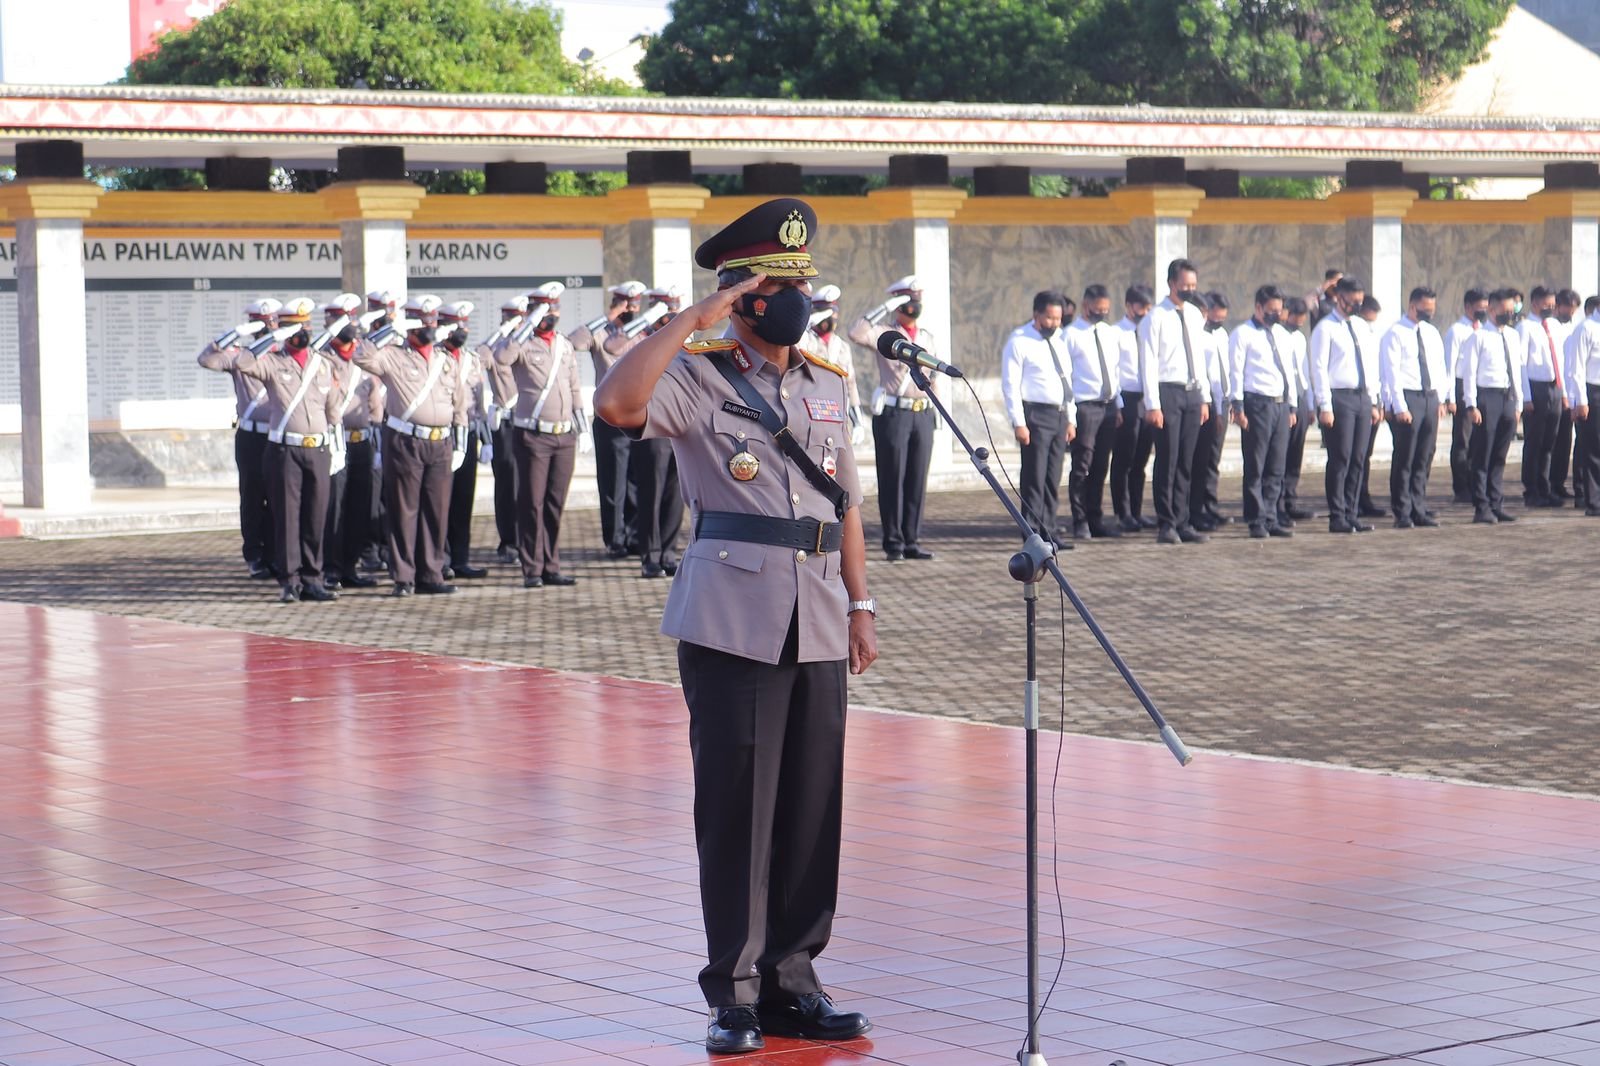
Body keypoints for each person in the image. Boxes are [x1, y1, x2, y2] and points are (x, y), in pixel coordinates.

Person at [592, 197, 877, 1056]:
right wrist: (693, 318)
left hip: (821, 615)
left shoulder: (828, 381)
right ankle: (737, 993)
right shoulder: (698, 374)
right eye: (779, 284)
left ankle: (797, 980)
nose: (799, 297)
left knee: (811, 809)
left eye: (803, 283)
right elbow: (616, 403)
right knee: (738, 814)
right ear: (745, 296)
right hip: (732, 621)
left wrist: (861, 604)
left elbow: (849, 503)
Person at [203, 297, 344, 603]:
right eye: (295, 326)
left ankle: (313, 578)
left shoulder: (323, 364)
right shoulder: (270, 361)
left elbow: (333, 409)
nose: (303, 331)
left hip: (316, 448)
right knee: (284, 514)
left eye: (307, 325)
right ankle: (289, 580)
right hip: (281, 447)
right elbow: (226, 361)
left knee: (315, 515)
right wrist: (259, 334)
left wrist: (335, 443)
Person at [356, 294, 469, 596]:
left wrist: (461, 439)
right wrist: (388, 330)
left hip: (441, 442)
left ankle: (431, 574)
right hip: (406, 440)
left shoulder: (445, 359)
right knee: (405, 509)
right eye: (423, 322)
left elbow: (459, 402)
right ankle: (404, 577)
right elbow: (361, 356)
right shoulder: (393, 355)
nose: (430, 327)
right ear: (410, 326)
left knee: (436, 509)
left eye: (432, 321)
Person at [496, 282, 586, 588]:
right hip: (533, 435)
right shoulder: (522, 342)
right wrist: (529, 323)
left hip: (564, 436)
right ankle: (532, 569)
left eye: (555, 307)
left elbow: (574, 384)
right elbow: (501, 358)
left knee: (554, 503)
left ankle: (552, 565)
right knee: (531, 503)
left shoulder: (563, 344)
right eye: (546, 308)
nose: (553, 313)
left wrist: (581, 425)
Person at [849, 275, 939, 561]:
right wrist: (887, 306)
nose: (913, 307)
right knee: (892, 476)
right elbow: (856, 332)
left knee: (916, 477)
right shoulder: (885, 333)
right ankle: (893, 542)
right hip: (894, 412)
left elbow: (933, 377)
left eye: (916, 301)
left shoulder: (926, 337)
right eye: (908, 302)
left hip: (921, 412)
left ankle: (912, 539)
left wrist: (935, 410)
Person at [197, 297, 280, 579]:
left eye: (272, 322)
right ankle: (255, 556)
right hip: (250, 436)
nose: (268, 328)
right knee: (253, 497)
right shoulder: (240, 355)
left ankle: (276, 554)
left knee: (278, 497)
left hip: (279, 436)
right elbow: (206, 359)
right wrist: (235, 333)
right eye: (262, 323)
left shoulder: (283, 355)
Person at [1137, 258, 1210, 545]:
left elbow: (1199, 359)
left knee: (1186, 460)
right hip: (1167, 392)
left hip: (1192, 392)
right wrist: (1153, 404)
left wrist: (1203, 398)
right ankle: (1166, 522)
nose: (1190, 289)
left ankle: (1184, 520)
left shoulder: (1194, 314)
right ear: (1171, 284)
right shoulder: (1155, 317)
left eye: (1193, 285)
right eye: (1185, 285)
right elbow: (1149, 363)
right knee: (1168, 458)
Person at [1000, 290, 1075, 549]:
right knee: (1034, 477)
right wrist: (1018, 422)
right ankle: (1032, 534)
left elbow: (1067, 381)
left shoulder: (1060, 340)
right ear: (1036, 314)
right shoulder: (1019, 341)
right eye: (1050, 318)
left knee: (1052, 477)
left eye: (1058, 318)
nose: (1054, 323)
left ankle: (1050, 530)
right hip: (1035, 415)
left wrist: (1071, 419)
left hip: (1059, 414)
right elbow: (1010, 385)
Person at [320, 292, 383, 589]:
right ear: (330, 322)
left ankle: (349, 567)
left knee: (360, 506)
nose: (351, 324)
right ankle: (330, 569)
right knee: (335, 507)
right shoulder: (322, 357)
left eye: (353, 317)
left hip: (363, 441)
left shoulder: (362, 355)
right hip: (336, 441)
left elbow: (374, 397)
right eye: (343, 318)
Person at [1310, 275, 1380, 533]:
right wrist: (1324, 405)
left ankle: (1352, 512)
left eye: (1360, 302)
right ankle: (1337, 515)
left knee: (1359, 458)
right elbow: (1318, 368)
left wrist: (1373, 400)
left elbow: (1370, 365)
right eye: (1352, 301)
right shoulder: (1325, 328)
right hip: (1339, 398)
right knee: (1340, 458)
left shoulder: (1362, 327)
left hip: (1362, 397)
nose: (1356, 306)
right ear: (1339, 298)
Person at [1228, 285, 1297, 538]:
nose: (1275, 315)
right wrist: (1237, 406)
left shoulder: (1283, 335)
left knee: (1277, 466)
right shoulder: (1242, 334)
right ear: (1258, 307)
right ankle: (1255, 519)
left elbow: (1289, 371)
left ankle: (1271, 516)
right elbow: (1235, 371)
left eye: (1279, 310)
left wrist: (1292, 405)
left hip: (1280, 404)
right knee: (1256, 465)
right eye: (1271, 310)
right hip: (1257, 404)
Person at [631, 284, 688, 578]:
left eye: (676, 309)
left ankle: (668, 551)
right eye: (667, 310)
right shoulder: (639, 340)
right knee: (651, 491)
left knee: (675, 493)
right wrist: (648, 322)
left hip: (678, 425)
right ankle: (649, 555)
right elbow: (611, 349)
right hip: (652, 423)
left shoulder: (683, 342)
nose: (673, 316)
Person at [1378, 287, 1447, 528]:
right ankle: (1402, 510)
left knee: (1424, 457)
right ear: (1412, 306)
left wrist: (1441, 399)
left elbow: (1439, 366)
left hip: (1429, 397)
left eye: (1431, 310)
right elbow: (1391, 374)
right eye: (1424, 310)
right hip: (1408, 398)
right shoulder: (1395, 334)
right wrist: (1399, 406)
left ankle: (1419, 506)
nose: (1428, 314)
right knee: (1405, 458)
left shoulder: (1431, 333)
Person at [1064, 284, 1123, 539]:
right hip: (1085, 406)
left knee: (1101, 465)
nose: (1102, 313)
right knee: (1082, 465)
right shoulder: (1070, 335)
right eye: (1098, 309)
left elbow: (1115, 370)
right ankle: (1080, 520)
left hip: (1108, 405)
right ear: (1086, 305)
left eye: (1106, 309)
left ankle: (1096, 517)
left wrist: (1118, 405)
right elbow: (1065, 377)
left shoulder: (1109, 333)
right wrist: (1069, 416)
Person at [1460, 289, 1524, 524]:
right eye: (1505, 310)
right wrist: (1471, 404)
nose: (1509, 314)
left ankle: (1496, 503)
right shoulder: (1478, 337)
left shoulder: (1513, 336)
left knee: (1500, 454)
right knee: (1483, 453)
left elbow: (1517, 370)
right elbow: (1469, 373)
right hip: (1487, 398)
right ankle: (1482, 506)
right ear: (1492, 309)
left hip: (1507, 396)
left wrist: (1518, 402)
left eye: (1512, 310)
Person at [438, 301, 490, 580]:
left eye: (466, 324)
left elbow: (479, 403)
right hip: (444, 436)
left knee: (463, 499)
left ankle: (460, 558)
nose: (463, 330)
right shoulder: (435, 356)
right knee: (440, 500)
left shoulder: (472, 359)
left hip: (468, 435)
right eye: (457, 324)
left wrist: (487, 439)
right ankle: (441, 559)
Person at [1109, 285, 1155, 533]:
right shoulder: (1116, 333)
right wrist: (1117, 404)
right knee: (1123, 460)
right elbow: (1114, 370)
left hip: (1147, 399)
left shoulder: (1150, 331)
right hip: (1126, 399)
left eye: (1149, 308)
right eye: (1141, 307)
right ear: (1128, 306)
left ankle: (1136, 512)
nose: (1145, 312)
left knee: (1141, 459)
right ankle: (1122, 512)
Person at [486, 296, 527, 562]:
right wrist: (502, 333)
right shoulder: (495, 348)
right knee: (507, 484)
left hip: (530, 423)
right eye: (509, 317)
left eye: (519, 318)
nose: (514, 323)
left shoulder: (531, 346)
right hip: (506, 424)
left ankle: (528, 540)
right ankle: (508, 541)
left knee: (529, 484)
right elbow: (480, 353)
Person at [1518, 285, 1567, 507]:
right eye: (1547, 304)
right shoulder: (1525, 327)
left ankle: (1545, 487)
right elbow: (1521, 364)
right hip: (1535, 388)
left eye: (1553, 303)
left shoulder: (1555, 326)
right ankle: (1532, 489)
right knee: (1534, 442)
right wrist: (1525, 397)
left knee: (1550, 442)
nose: (1551, 307)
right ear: (1535, 303)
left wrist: (1564, 392)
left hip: (1555, 387)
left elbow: (1562, 360)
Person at [801, 285, 866, 446]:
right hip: (810, 415)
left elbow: (850, 385)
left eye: (834, 313)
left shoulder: (842, 346)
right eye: (827, 313)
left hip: (838, 415)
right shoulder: (806, 340)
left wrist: (858, 421)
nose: (832, 318)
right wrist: (805, 324)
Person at [1189, 291, 1232, 531]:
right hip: (1205, 402)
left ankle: (1209, 506)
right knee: (1198, 460)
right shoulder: (1197, 338)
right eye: (1210, 317)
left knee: (1212, 459)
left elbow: (1223, 372)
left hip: (1221, 401)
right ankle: (1195, 510)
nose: (1213, 321)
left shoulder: (1222, 335)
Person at [1445, 288, 1490, 504]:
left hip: (1481, 386)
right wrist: (1450, 398)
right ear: (1468, 307)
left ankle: (1477, 484)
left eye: (1485, 308)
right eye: (1479, 308)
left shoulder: (1486, 330)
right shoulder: (1457, 331)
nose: (1482, 312)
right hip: (1462, 386)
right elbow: (1449, 365)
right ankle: (1461, 487)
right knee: (1462, 439)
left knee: (1479, 439)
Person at [1278, 297, 1316, 528]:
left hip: (1300, 397)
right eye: (1295, 319)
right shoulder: (1277, 336)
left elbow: (1305, 372)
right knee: (1279, 455)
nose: (1298, 324)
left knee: (1295, 454)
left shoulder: (1300, 338)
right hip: (1282, 399)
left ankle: (1290, 500)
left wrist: (1310, 405)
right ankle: (1277, 504)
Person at [1354, 295, 1387, 519]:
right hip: (1353, 400)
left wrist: (1379, 402)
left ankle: (1363, 498)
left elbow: (1378, 373)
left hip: (1371, 402)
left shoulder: (1374, 337)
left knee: (1365, 455)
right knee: (1352, 456)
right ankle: (1351, 501)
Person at [1567, 294, 1600, 515]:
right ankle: (1593, 501)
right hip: (1593, 392)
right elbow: (1576, 367)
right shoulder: (1586, 328)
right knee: (1594, 449)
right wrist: (1580, 401)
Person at [1548, 288, 1582, 503]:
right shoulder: (1550, 328)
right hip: (1554, 388)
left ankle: (1559, 483)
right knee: (1550, 439)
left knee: (1565, 441)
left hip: (1570, 391)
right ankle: (1547, 483)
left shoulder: (1575, 329)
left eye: (1573, 309)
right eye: (1567, 308)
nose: (1570, 312)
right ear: (1558, 306)